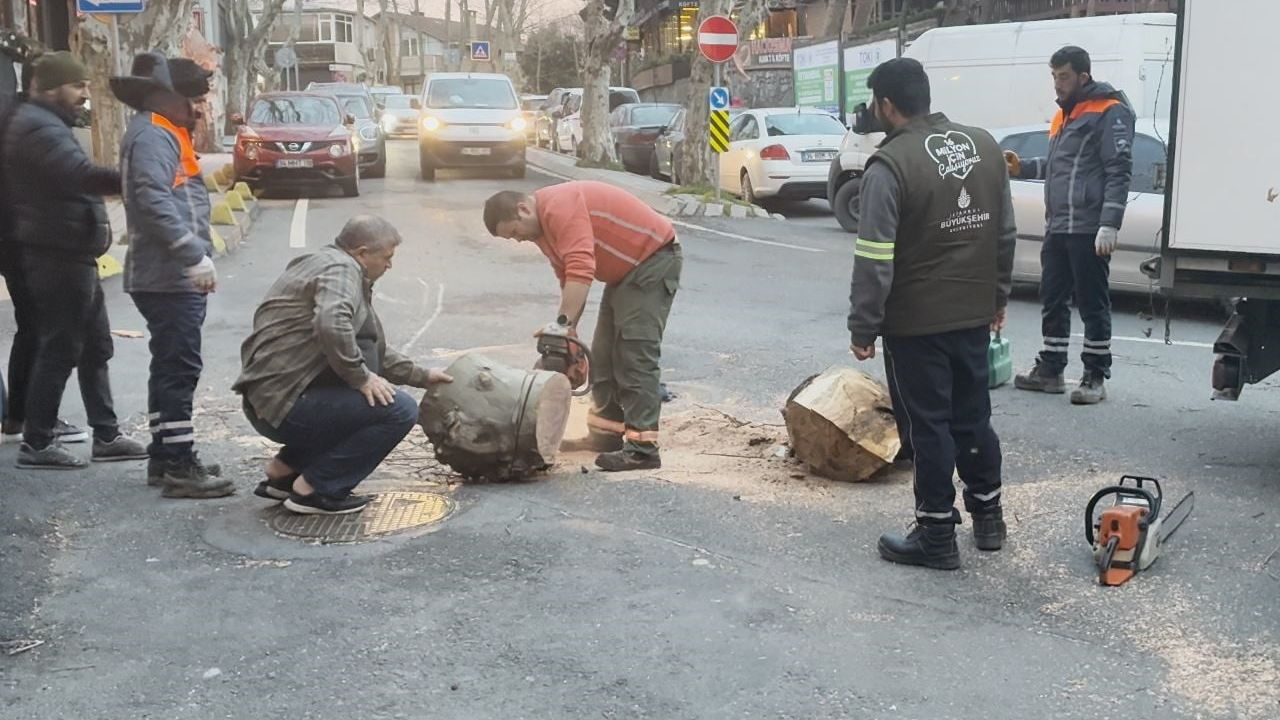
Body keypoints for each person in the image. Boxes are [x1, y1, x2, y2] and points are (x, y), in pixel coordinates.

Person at [847, 58, 1016, 570]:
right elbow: (1003, 234)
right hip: (971, 314)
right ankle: (989, 519)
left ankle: (936, 534)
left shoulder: (889, 165)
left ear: (887, 105)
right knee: (973, 418)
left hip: (916, 323)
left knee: (928, 428)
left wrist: (863, 324)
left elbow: (875, 256)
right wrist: (998, 298)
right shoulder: (985, 147)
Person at [234, 216, 453, 515]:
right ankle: (316, 489)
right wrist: (361, 378)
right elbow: (332, 323)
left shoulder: (323, 262)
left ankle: (284, 473)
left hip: (272, 402)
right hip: (285, 405)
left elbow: (368, 346)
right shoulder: (342, 270)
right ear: (362, 253)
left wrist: (421, 376)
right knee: (398, 410)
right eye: (386, 257)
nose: (389, 266)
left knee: (365, 398)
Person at [1, 51, 148, 469]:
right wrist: (136, 177)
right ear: (51, 87)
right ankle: (38, 442)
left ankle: (106, 434)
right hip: (56, 254)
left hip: (73, 251)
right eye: (78, 86)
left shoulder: (48, 123)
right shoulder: (37, 128)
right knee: (61, 346)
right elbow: (79, 174)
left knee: (96, 345)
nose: (86, 94)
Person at [483, 181, 682, 472]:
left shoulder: (559, 206)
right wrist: (567, 334)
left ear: (523, 209)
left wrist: (561, 326)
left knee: (633, 353)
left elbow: (581, 267)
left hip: (652, 260)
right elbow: (566, 274)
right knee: (601, 354)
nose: (518, 240)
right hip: (625, 272)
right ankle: (606, 434)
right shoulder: (541, 231)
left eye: (514, 232)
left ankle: (643, 449)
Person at [112, 52, 229, 498]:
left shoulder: (163, 132)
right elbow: (152, 202)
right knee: (179, 368)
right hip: (167, 275)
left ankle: (165, 456)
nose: (198, 108)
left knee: (169, 366)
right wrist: (192, 255)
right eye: (193, 99)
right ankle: (179, 465)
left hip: (163, 274)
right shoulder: (154, 136)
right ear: (167, 96)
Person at [1005, 45, 1135, 405]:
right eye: (1054, 76)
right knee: (1053, 298)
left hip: (1089, 227)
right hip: (1059, 225)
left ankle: (1094, 376)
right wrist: (1023, 169)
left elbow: (1118, 170)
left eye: (1063, 76)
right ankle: (1051, 369)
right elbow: (1058, 166)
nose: (1057, 84)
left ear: (1083, 76)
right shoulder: (1064, 115)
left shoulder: (1109, 111)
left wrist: (1109, 224)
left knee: (1092, 302)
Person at [0, 53, 96, 449]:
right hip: (23, 239)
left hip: (16, 236)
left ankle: (19, 417)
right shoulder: (26, 121)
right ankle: (31, 422)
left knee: (34, 326)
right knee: (43, 328)